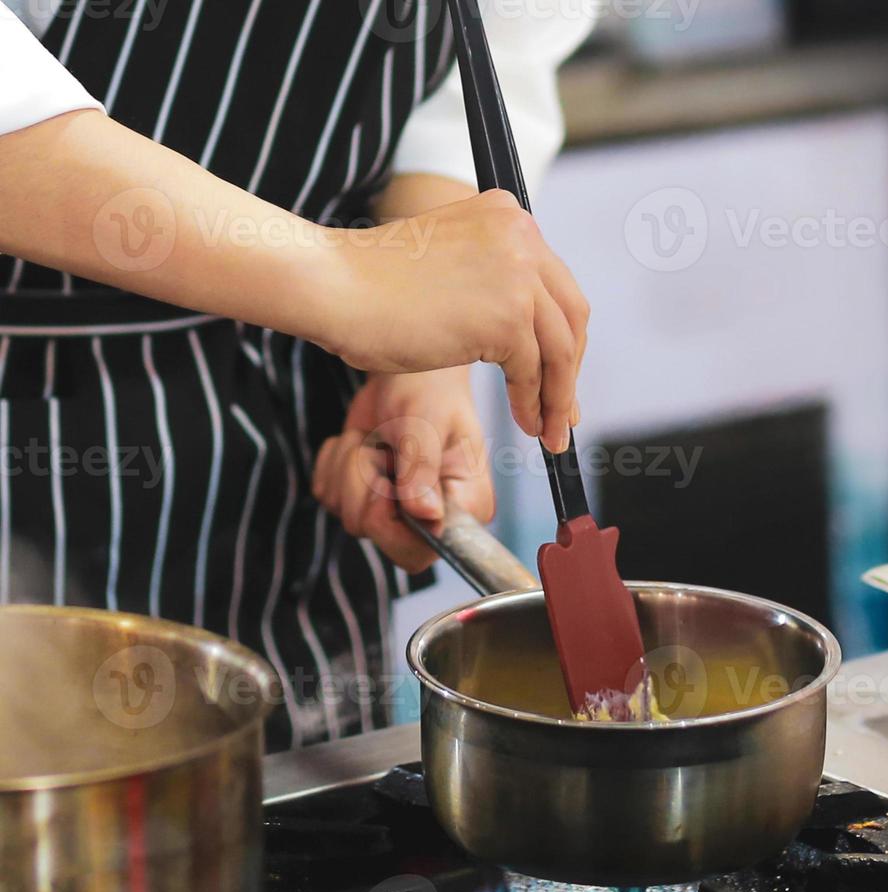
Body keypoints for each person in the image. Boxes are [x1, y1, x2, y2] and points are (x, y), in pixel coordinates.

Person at [0, 0, 593, 749]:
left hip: (293, 462)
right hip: (25, 428)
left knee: (313, 837)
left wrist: (422, 354)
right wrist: (347, 280)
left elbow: (494, 43)